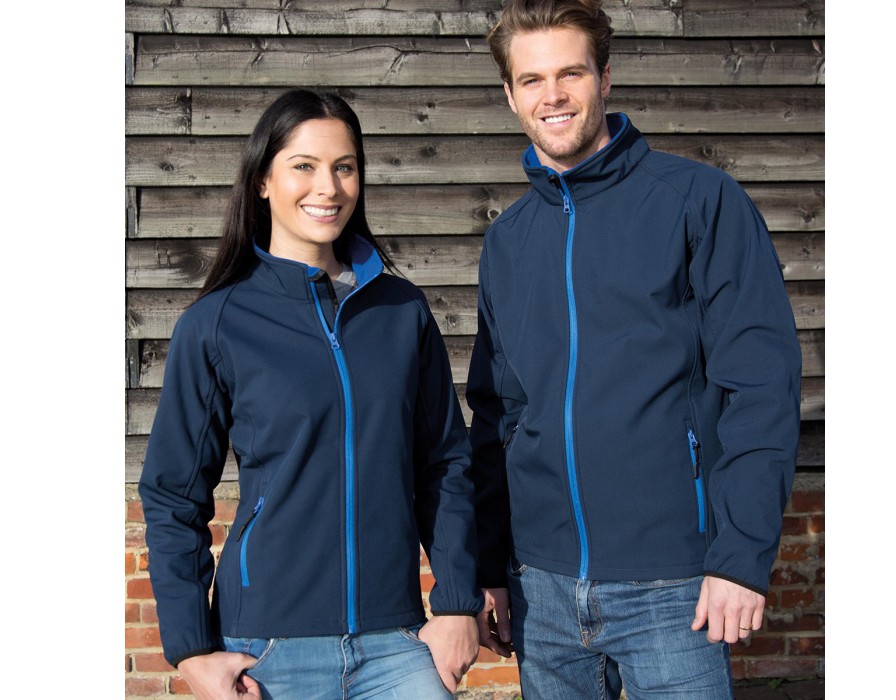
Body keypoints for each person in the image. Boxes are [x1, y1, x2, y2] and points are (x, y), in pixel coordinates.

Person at [466, 1, 803, 697]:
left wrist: (739, 557)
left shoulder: (698, 201)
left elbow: (760, 384)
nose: (553, 95)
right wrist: (490, 564)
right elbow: (501, 413)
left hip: (673, 583)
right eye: (532, 80)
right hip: (542, 588)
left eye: (571, 73)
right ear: (510, 95)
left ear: (605, 77)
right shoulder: (508, 240)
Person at [138, 89, 482, 700]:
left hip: (395, 641)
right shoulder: (217, 324)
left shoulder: (401, 311)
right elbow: (173, 494)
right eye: (304, 165)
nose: (328, 187)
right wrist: (192, 650)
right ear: (262, 181)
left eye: (344, 167)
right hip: (268, 646)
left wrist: (456, 603)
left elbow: (445, 464)